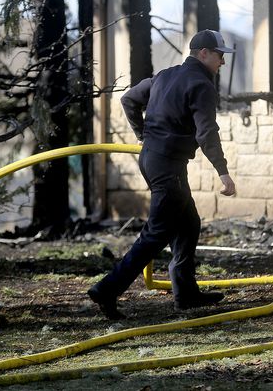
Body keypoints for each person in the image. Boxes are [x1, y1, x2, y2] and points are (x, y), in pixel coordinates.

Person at [88, 29, 237, 319]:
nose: (222, 63)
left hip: (152, 160)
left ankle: (186, 294)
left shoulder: (165, 76)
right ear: (203, 53)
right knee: (156, 234)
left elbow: (129, 99)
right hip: (168, 166)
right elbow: (207, 132)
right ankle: (106, 289)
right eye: (220, 56)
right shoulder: (201, 85)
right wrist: (223, 172)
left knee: (188, 223)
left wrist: (143, 134)